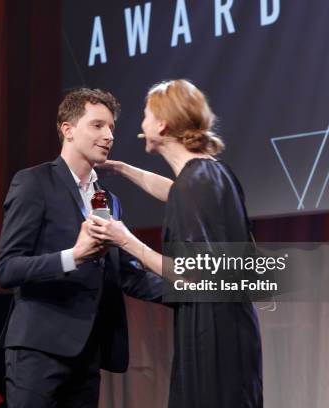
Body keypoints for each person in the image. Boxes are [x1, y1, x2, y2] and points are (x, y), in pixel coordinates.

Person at [88, 79, 263, 407]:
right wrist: (124, 169)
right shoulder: (212, 174)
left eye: (145, 116)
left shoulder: (192, 186)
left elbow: (189, 275)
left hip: (212, 334)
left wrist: (125, 240)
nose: (140, 124)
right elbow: (177, 191)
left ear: (161, 125)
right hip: (236, 326)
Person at [0, 88, 163, 408]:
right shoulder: (34, 182)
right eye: (98, 125)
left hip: (88, 353)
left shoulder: (109, 201)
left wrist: (196, 291)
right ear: (68, 130)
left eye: (111, 127)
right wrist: (74, 256)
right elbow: (8, 268)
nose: (109, 135)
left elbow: (128, 275)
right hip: (38, 350)